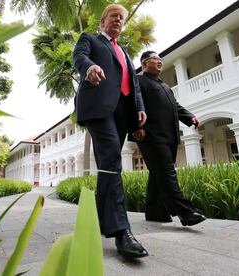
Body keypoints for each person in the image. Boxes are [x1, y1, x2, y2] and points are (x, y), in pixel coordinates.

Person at [73, 4, 148, 259]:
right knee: (112, 159)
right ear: (103, 21)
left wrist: (138, 113)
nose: (118, 20)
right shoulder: (91, 39)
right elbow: (79, 56)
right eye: (114, 16)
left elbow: (134, 84)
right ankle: (121, 232)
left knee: (109, 165)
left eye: (122, 19)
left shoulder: (125, 53)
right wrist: (89, 68)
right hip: (98, 107)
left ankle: (95, 221)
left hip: (122, 114)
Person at [132, 50, 206, 226]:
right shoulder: (139, 81)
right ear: (144, 64)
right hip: (150, 135)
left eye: (160, 59)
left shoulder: (165, 86)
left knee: (159, 173)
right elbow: (132, 103)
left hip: (170, 135)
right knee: (166, 172)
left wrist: (189, 117)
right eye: (154, 59)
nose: (159, 61)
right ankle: (185, 212)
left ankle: (155, 212)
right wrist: (136, 126)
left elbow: (176, 107)